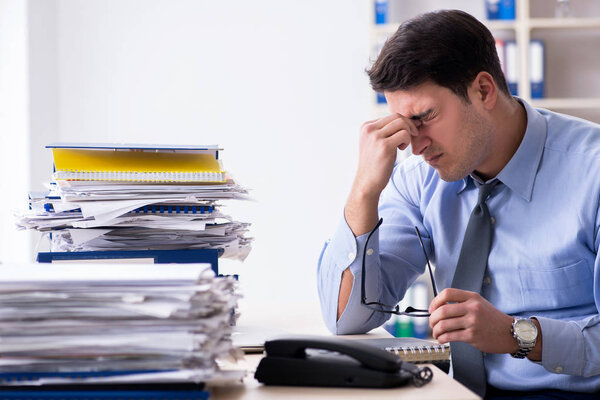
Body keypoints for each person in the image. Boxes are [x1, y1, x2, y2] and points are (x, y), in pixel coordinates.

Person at [317, 9, 600, 399]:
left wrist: (515, 335)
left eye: (424, 117)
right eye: (402, 124)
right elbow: (347, 317)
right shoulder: (419, 180)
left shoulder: (593, 172)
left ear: (483, 90)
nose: (415, 145)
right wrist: (363, 191)